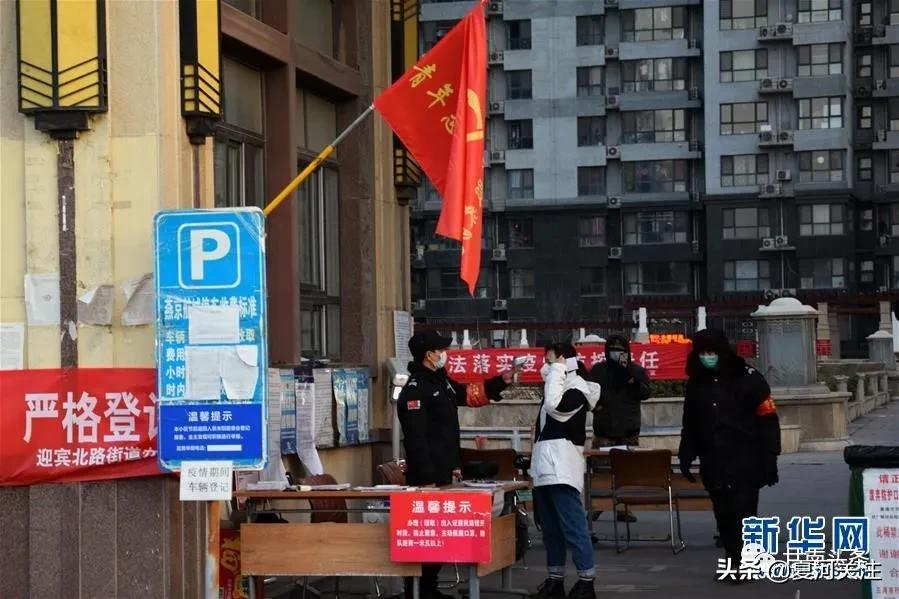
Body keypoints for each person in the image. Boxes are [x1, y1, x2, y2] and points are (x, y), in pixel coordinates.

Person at [398, 330, 515, 599]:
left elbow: (469, 394)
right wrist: (427, 480)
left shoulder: (441, 382)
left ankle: (429, 589)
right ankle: (417, 591)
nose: (444, 354)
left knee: (439, 538)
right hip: (427, 478)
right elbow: (416, 441)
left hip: (446, 473)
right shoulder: (416, 390)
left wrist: (501, 382)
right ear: (429, 355)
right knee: (425, 539)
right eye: (440, 349)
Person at [678, 328, 781, 584]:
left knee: (744, 512)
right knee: (723, 514)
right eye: (703, 352)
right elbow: (690, 422)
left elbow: (768, 419)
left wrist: (771, 456)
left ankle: (746, 563)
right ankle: (733, 559)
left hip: (746, 458)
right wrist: (686, 453)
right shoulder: (697, 383)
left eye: (712, 352)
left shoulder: (750, 379)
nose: (708, 357)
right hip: (713, 460)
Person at [530, 343, 601, 599]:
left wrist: (558, 370)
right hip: (544, 467)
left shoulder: (577, 389)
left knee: (573, 526)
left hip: (562, 467)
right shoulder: (557, 386)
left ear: (565, 362)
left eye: (551, 361)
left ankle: (586, 579)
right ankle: (555, 578)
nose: (546, 366)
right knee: (550, 528)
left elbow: (556, 409)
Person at [588, 334, 651, 523]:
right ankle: (598, 506)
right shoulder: (599, 371)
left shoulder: (636, 371)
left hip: (628, 431)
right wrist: (596, 407)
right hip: (604, 430)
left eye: (621, 351)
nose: (616, 354)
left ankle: (625, 508)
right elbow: (588, 392)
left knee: (626, 472)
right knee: (600, 472)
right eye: (613, 351)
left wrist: (631, 380)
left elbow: (645, 393)